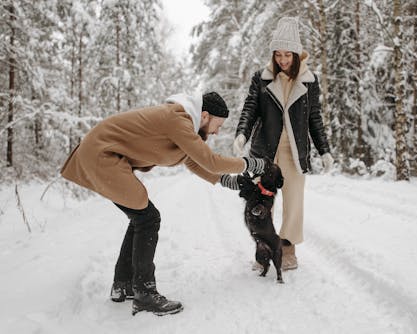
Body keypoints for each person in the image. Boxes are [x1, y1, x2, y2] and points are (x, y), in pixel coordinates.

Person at [60, 92, 267, 316]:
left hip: (102, 156)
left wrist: (225, 180)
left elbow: (192, 160)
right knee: (148, 219)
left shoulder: (181, 123)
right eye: (218, 125)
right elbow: (211, 161)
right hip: (102, 156)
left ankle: (124, 284)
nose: (217, 131)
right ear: (205, 115)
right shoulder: (177, 119)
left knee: (141, 217)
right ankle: (144, 294)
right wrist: (250, 163)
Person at [233, 17, 334, 271]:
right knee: (260, 204)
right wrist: (241, 134)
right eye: (278, 54)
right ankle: (264, 250)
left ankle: (287, 250)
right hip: (265, 151)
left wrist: (325, 150)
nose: (282, 60)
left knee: (293, 203)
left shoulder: (309, 81)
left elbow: (314, 118)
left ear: (297, 54)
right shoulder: (262, 78)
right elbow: (250, 109)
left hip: (294, 151)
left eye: (287, 55)